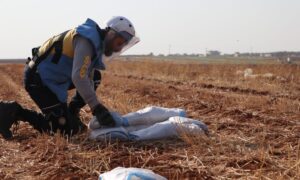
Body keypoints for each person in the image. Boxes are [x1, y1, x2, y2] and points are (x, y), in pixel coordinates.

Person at [0, 16, 139, 139]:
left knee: (95, 76)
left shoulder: (94, 43)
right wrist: (97, 108)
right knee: (65, 132)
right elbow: (79, 77)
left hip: (55, 77)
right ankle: (15, 111)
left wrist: (93, 106)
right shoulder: (86, 41)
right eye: (119, 43)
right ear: (111, 34)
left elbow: (87, 76)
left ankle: (71, 112)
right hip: (38, 80)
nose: (118, 49)